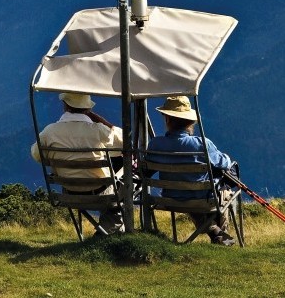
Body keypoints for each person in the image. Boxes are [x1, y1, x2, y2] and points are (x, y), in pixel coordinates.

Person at [146, 95, 238, 245]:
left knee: (190, 192)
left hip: (170, 198)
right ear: (190, 121)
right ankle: (222, 235)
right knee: (225, 191)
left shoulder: (155, 144)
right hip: (202, 200)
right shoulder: (202, 144)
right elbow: (225, 163)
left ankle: (215, 232)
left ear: (167, 119)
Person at [30, 91, 125, 234]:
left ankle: (108, 230)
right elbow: (125, 143)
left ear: (65, 106)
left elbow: (36, 154)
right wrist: (99, 120)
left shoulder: (50, 131)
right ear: (88, 109)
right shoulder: (98, 130)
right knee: (127, 175)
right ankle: (109, 230)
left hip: (69, 192)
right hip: (99, 193)